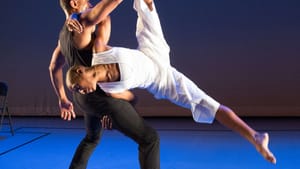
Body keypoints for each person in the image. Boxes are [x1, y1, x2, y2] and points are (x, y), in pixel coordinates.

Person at [66, 0, 277, 164]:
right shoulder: (106, 89)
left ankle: (256, 137)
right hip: (161, 79)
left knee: (146, 3)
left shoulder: (98, 52)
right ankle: (255, 137)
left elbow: (102, 19)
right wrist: (108, 112)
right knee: (207, 104)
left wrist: (73, 15)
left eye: (77, 87)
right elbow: (130, 97)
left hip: (150, 48)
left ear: (80, 71)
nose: (81, 92)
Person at [49, 0, 160, 169]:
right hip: (102, 97)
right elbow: (110, 6)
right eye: (85, 0)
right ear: (74, 2)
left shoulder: (63, 36)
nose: (89, 2)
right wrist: (105, 110)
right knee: (150, 139)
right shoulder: (83, 23)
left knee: (91, 139)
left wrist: (63, 99)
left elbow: (53, 67)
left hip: (82, 98)